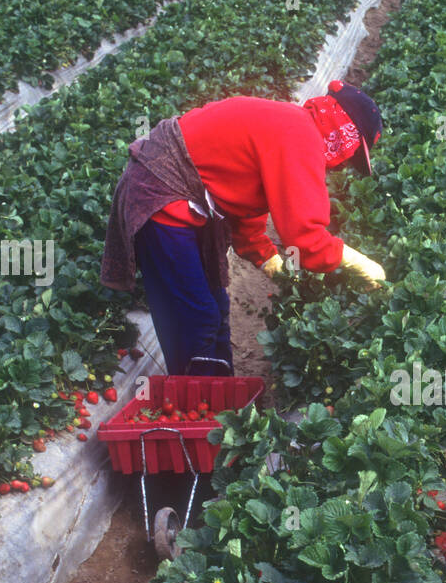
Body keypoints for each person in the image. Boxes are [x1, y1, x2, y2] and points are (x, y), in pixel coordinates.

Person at [100, 80, 387, 375]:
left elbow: (247, 197)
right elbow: (306, 237)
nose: (346, 162)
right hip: (162, 195)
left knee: (216, 306)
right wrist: (360, 264)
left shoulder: (293, 126)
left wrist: (266, 257)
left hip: (179, 194)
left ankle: (221, 398)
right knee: (196, 316)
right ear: (345, 131)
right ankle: (196, 406)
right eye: (353, 152)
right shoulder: (300, 136)